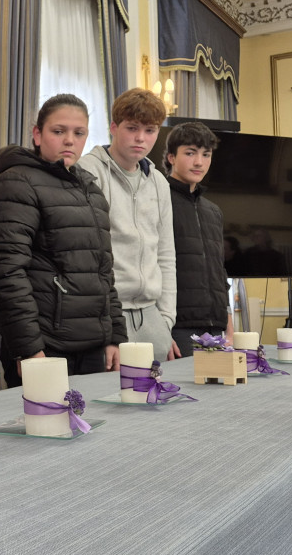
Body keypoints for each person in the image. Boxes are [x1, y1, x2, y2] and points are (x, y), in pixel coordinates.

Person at [0, 94, 125, 378]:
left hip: (93, 346)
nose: (69, 141)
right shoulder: (15, 182)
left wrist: (115, 336)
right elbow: (8, 272)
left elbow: (104, 273)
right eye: (58, 131)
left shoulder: (91, 190)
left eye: (79, 133)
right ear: (37, 134)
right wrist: (28, 348)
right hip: (45, 347)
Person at [76, 89, 177, 363]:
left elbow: (166, 253)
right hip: (107, 315)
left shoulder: (158, 181)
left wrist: (166, 318)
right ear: (113, 127)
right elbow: (86, 255)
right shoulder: (89, 172)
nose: (141, 138)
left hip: (152, 316)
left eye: (150, 130)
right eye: (132, 128)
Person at [164, 122, 233, 355]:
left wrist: (229, 327)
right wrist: (160, 330)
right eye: (190, 153)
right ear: (171, 157)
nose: (199, 162)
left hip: (215, 327)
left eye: (206, 154)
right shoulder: (157, 199)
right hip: (176, 327)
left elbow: (219, 273)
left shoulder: (213, 211)